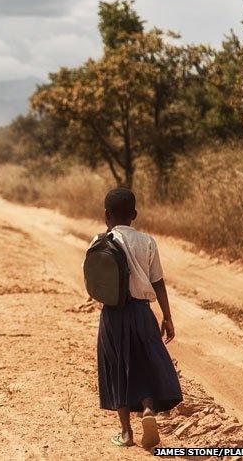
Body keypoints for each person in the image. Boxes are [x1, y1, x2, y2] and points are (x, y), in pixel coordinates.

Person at [92, 187, 182, 449]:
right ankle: (148, 411)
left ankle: (126, 432)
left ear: (106, 215)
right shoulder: (147, 242)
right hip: (142, 311)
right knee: (144, 363)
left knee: (117, 367)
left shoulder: (99, 241)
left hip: (112, 314)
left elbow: (94, 282)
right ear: (134, 214)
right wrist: (167, 316)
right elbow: (158, 282)